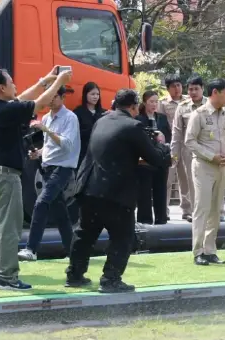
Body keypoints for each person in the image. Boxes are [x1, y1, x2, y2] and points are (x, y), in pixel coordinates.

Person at [66, 89, 171, 292]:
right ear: (134, 107)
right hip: (115, 192)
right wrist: (161, 145)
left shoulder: (101, 121)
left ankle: (74, 275)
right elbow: (156, 159)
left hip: (89, 187)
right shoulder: (133, 126)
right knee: (123, 236)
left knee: (85, 234)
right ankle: (110, 279)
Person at [0, 66, 71, 291]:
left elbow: (22, 99)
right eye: (10, 82)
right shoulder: (6, 109)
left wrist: (44, 80)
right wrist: (59, 81)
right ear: (1, 88)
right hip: (4, 176)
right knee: (8, 229)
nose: (15, 85)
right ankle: (7, 278)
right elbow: (38, 104)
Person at [19, 86, 80, 260]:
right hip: (47, 167)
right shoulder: (46, 117)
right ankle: (73, 252)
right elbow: (49, 146)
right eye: (49, 97)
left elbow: (67, 145)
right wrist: (38, 153)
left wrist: (46, 130)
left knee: (41, 203)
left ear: (63, 98)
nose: (50, 101)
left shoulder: (70, 117)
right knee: (61, 214)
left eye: (54, 97)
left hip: (63, 168)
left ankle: (31, 249)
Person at [185, 78, 225, 265]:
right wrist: (210, 156)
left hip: (221, 167)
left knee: (216, 210)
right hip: (204, 166)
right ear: (215, 92)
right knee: (202, 208)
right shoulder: (199, 114)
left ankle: (210, 250)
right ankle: (198, 251)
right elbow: (190, 141)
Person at [171, 76, 207, 221]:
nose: (193, 92)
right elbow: (176, 132)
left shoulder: (211, 104)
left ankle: (217, 212)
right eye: (190, 89)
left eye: (196, 89)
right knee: (191, 182)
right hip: (189, 151)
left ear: (202, 89)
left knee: (212, 181)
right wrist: (174, 154)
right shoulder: (182, 107)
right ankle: (194, 212)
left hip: (209, 149)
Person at [136, 90, 172, 225]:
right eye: (151, 101)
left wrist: (162, 137)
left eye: (156, 101)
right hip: (144, 160)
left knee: (161, 190)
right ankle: (144, 219)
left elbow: (168, 135)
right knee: (144, 191)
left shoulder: (161, 118)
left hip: (161, 158)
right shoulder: (139, 119)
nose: (154, 104)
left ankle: (161, 218)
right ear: (145, 102)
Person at [159, 75, 185, 214]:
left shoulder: (188, 101)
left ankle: (187, 210)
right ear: (168, 88)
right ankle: (164, 209)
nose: (177, 89)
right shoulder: (162, 104)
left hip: (186, 145)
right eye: (173, 86)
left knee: (185, 179)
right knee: (167, 179)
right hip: (170, 145)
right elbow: (159, 124)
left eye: (178, 85)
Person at [73, 82, 105, 167]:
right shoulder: (78, 112)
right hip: (83, 153)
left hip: (99, 154)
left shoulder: (104, 113)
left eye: (97, 94)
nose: (95, 97)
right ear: (85, 95)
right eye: (92, 94)